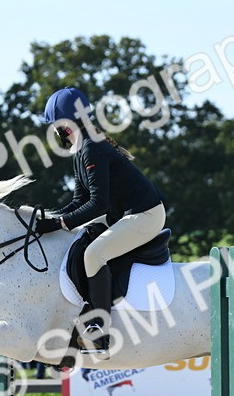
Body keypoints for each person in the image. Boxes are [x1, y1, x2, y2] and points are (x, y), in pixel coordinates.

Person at [30, 86, 167, 355]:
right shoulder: (82, 149)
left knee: (94, 254)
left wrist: (60, 225)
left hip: (146, 214)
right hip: (124, 215)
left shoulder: (92, 148)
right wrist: (51, 219)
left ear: (64, 124)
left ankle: (99, 330)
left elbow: (98, 204)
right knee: (81, 242)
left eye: (55, 125)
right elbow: (79, 201)